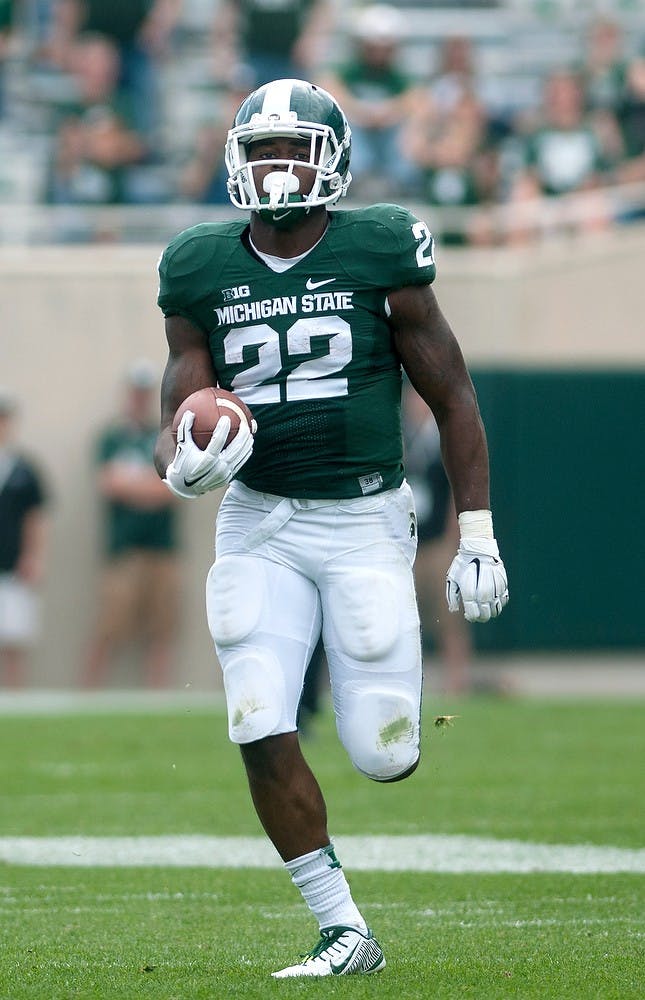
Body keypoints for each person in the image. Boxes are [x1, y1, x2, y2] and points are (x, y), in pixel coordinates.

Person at [154, 78, 509, 978]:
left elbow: (451, 392)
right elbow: (183, 386)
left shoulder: (381, 247)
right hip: (260, 520)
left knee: (382, 752)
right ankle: (342, 927)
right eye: (260, 151)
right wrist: (180, 454)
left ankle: (391, 731)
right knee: (255, 711)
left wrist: (476, 531)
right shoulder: (198, 262)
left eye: (292, 150)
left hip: (362, 519)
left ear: (333, 160)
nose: (276, 168)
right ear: (235, 162)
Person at [82, 360, 181, 688]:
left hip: (162, 549)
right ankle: (88, 695)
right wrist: (148, 486)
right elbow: (109, 484)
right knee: (110, 627)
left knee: (161, 629)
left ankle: (158, 699)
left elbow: (171, 488)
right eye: (135, 392)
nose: (139, 398)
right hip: (124, 550)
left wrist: (134, 485)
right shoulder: (113, 437)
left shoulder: (164, 436)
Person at [402, 379, 473, 694]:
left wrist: (454, 538)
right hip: (404, 544)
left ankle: (455, 684)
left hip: (435, 544)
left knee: (448, 617)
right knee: (401, 620)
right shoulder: (400, 436)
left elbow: (456, 490)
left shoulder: (439, 438)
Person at [0, 389, 50, 688]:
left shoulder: (24, 471)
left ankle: (13, 695)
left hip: (13, 565)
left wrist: (35, 556)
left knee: (14, 635)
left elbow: (37, 516)